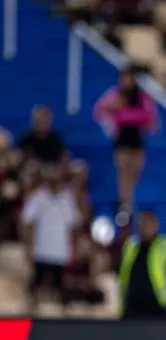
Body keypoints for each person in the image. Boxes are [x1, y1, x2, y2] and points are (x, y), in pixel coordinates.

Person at [93, 67, 158, 227]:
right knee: (124, 171)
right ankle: (125, 204)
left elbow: (150, 118)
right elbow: (100, 110)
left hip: (136, 138)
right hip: (122, 137)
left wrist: (128, 114)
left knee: (135, 172)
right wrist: (113, 119)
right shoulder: (115, 95)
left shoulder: (142, 97)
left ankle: (129, 199)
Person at [20, 165, 79, 311]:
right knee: (36, 282)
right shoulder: (38, 197)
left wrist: (74, 249)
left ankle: (63, 316)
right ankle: (31, 311)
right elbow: (27, 222)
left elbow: (74, 225)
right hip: (42, 249)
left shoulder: (68, 199)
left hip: (60, 250)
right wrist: (28, 246)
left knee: (60, 285)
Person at [118, 210, 166, 319]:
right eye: (140, 224)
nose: (143, 227)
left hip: (159, 309)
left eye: (147, 224)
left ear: (155, 224)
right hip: (132, 308)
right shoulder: (130, 247)